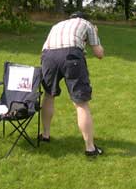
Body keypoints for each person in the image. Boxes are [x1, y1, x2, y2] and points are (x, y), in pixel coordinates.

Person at [40, 11, 105, 157]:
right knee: (81, 103)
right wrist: (93, 35)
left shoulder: (58, 24)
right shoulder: (87, 24)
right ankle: (90, 148)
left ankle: (45, 135)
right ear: (84, 19)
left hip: (48, 56)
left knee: (49, 95)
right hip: (71, 56)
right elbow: (99, 53)